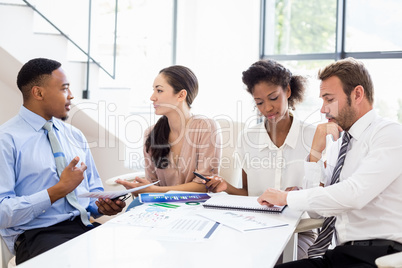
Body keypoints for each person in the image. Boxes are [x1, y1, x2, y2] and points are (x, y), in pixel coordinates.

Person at [257, 57, 402, 267]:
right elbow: (318, 212)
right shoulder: (340, 144)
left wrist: (286, 197)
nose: (323, 109)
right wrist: (315, 153)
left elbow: (354, 195)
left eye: (329, 99)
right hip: (341, 255)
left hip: (379, 256)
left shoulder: (389, 134)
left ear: (357, 94)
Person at [0, 58, 126, 265]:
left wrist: (102, 206)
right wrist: (59, 189)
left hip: (84, 226)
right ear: (38, 93)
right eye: (64, 89)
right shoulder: (6, 140)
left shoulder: (75, 135)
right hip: (38, 236)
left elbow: (93, 191)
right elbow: (2, 212)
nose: (72, 95)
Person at [204, 59, 317, 260]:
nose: (267, 108)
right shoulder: (248, 138)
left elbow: (324, 195)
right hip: (254, 227)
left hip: (300, 231)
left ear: (288, 91)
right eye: (259, 102)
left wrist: (300, 195)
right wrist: (226, 187)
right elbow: (249, 194)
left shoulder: (312, 136)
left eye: (273, 97)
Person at [116, 65, 221, 195]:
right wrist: (141, 189)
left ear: (181, 95)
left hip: (196, 207)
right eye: (153, 90)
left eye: (159, 91)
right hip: (161, 206)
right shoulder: (151, 133)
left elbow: (204, 185)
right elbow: (152, 182)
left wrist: (156, 190)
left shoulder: (205, 127)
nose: (152, 97)